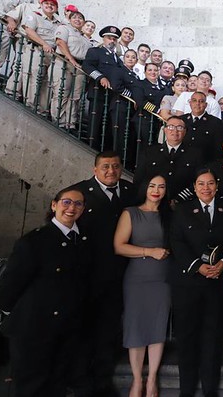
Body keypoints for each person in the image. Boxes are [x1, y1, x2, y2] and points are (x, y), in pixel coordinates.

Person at [0, 185, 90, 397]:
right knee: (34, 388)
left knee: (57, 386)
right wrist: (13, 313)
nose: (71, 208)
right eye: (66, 202)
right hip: (34, 328)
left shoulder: (84, 240)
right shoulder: (34, 241)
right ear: (54, 205)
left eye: (78, 203)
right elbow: (11, 284)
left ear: (83, 209)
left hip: (67, 328)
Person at [170, 167, 223, 397]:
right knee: (187, 339)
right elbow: (176, 243)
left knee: (213, 340)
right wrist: (197, 267)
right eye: (201, 184)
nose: (206, 188)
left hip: (216, 285)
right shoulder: (181, 210)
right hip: (188, 284)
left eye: (210, 183)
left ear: (216, 186)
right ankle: (186, 391)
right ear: (194, 187)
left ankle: (210, 390)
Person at [75, 151, 136, 396]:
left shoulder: (131, 191)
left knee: (110, 327)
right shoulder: (79, 194)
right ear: (95, 169)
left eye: (116, 167)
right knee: (85, 329)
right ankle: (82, 383)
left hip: (121, 272)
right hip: (90, 274)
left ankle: (102, 381)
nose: (111, 171)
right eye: (105, 167)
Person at [113, 175, 172, 397]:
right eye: (152, 185)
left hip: (163, 277)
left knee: (158, 326)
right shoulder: (131, 212)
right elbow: (119, 246)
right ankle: (137, 379)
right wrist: (149, 252)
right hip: (137, 277)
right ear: (145, 188)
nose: (156, 190)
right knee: (135, 326)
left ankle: (152, 379)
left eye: (161, 187)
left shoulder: (170, 215)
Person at [133, 116, 203, 202]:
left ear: (185, 131)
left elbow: (198, 182)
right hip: (152, 202)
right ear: (164, 130)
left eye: (180, 127)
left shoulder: (195, 154)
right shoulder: (150, 152)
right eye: (171, 127)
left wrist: (179, 199)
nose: (175, 131)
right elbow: (139, 179)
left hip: (181, 204)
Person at [52, 9, 92, 130]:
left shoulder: (85, 38)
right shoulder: (64, 29)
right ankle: (58, 120)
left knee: (76, 96)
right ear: (70, 19)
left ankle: (70, 123)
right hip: (65, 62)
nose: (78, 20)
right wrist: (71, 59)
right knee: (61, 92)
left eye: (80, 18)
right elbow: (60, 43)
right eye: (75, 17)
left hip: (80, 67)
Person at [180, 91, 223, 163]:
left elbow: (218, 149)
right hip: (181, 162)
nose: (197, 104)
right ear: (190, 103)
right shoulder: (181, 120)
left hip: (205, 164)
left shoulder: (216, 122)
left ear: (206, 105)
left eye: (201, 101)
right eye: (194, 100)